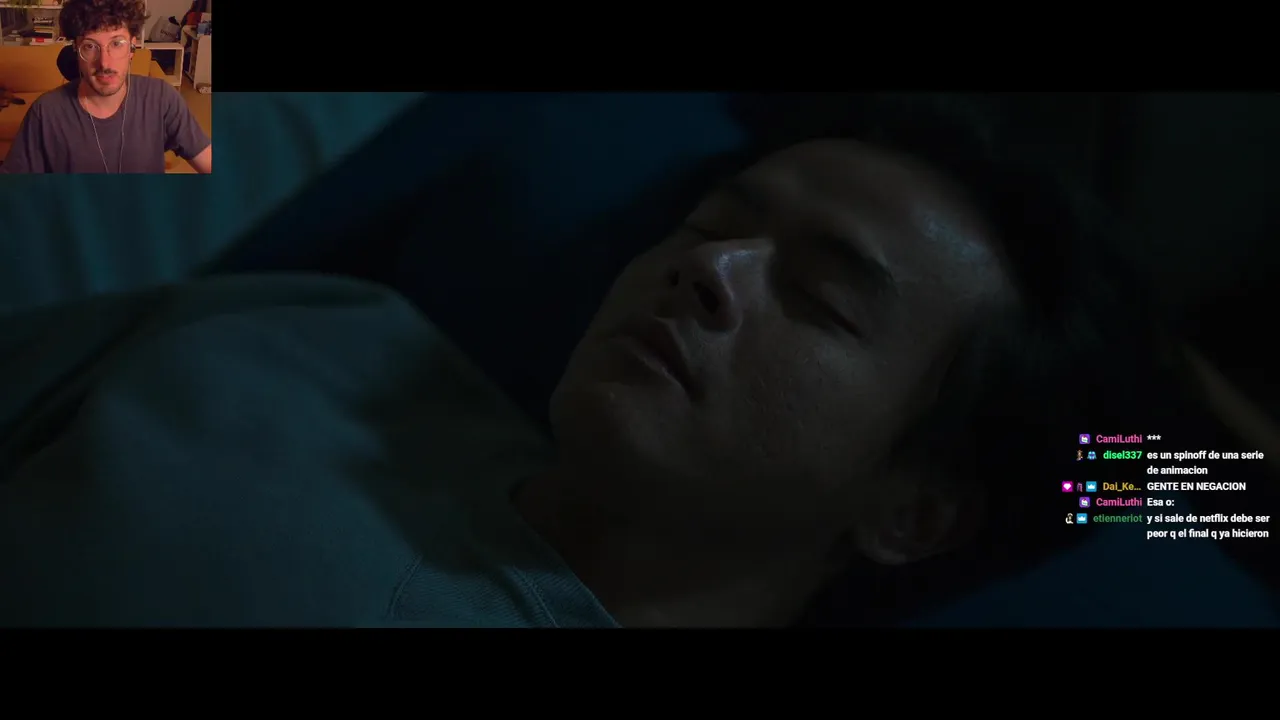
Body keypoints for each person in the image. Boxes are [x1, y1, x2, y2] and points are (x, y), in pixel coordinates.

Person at [0, 95, 1153, 627]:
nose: (708, 270)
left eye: (817, 299)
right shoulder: (331, 335)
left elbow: (1154, 486)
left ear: (911, 511)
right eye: (707, 227)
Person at [0, 0, 211, 174]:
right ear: (76, 50)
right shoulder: (45, 112)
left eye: (117, 43)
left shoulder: (162, 99)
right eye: (90, 46)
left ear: (132, 47)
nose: (104, 63)